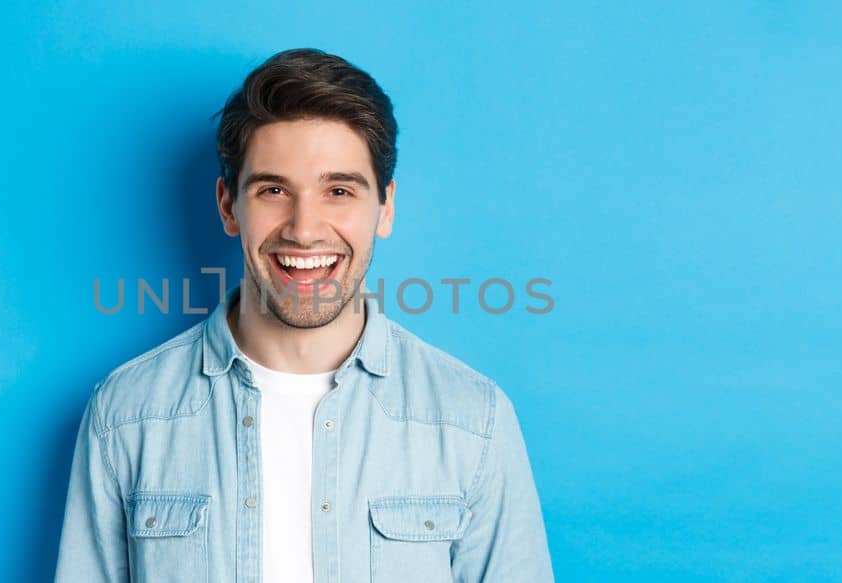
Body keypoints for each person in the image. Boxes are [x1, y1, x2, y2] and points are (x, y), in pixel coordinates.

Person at [54, 48, 553, 583]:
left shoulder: (472, 420)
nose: (305, 228)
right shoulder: (127, 415)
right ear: (227, 206)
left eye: (339, 190)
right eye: (273, 190)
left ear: (385, 207)